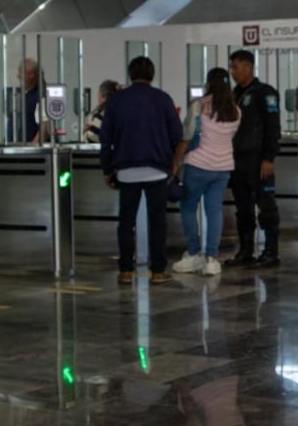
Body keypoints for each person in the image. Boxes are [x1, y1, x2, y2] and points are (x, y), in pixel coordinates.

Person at [99, 56, 182, 285]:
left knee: (126, 222)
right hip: (157, 171)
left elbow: (105, 138)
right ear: (152, 75)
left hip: (126, 171)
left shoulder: (116, 101)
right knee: (157, 221)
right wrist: (174, 164)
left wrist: (107, 169)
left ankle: (126, 270)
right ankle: (157, 271)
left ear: (130, 75)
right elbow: (177, 135)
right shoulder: (163, 99)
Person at [172, 68, 242, 276]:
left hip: (198, 165)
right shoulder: (236, 111)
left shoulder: (199, 106)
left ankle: (193, 254)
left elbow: (186, 136)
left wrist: (176, 162)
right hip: (223, 168)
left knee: (188, 206)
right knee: (214, 211)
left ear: (208, 84)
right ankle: (212, 259)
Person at [226, 50, 282, 268]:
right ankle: (246, 250)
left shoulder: (264, 93)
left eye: (236, 68)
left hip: (258, 160)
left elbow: (272, 127)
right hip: (237, 160)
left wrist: (269, 157)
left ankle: (270, 251)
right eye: (231, 68)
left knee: (266, 206)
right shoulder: (234, 95)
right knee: (243, 208)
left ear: (249, 67)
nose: (233, 72)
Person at [8, 58, 42, 143]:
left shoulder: (41, 96)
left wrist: (33, 147)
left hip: (32, 150)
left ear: (31, 75)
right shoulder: (20, 95)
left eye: (21, 72)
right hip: (16, 147)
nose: (18, 76)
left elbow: (45, 127)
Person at [84, 79, 120, 143]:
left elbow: (92, 137)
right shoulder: (119, 111)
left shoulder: (103, 114)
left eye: (99, 93)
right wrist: (91, 128)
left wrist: (85, 132)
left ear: (104, 95)